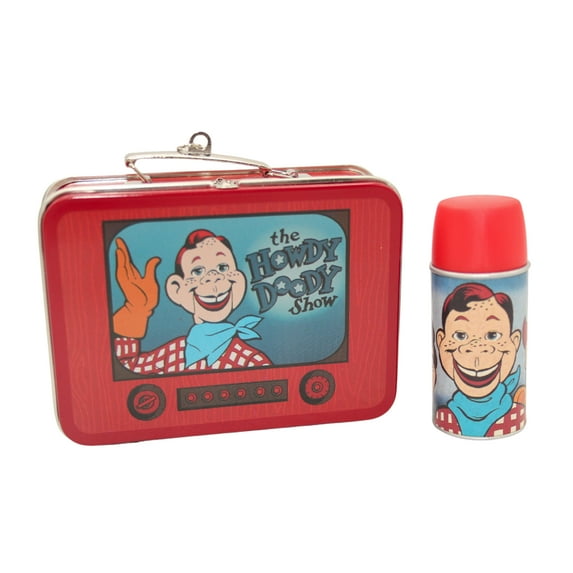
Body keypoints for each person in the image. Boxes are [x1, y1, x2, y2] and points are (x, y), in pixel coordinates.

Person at [112, 229, 271, 374]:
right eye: (198, 271)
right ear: (176, 289)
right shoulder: (172, 354)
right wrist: (135, 311)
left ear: (240, 280)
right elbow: (127, 369)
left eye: (223, 267)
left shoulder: (251, 360)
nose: (213, 278)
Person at [434, 283, 525, 437]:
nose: (477, 350)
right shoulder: (444, 415)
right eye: (460, 335)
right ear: (440, 341)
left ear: (515, 341)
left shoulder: (515, 414)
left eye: (493, 335)